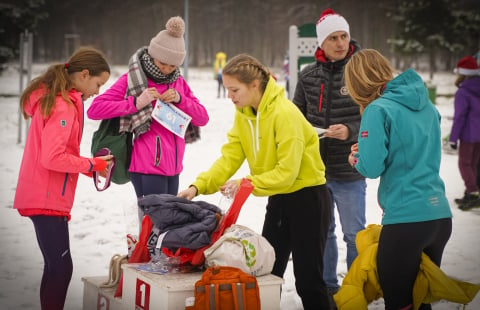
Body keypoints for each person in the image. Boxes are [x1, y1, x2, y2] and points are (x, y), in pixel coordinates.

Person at [178, 53, 333, 309]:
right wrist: (197, 187)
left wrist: (246, 183)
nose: (229, 96)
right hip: (279, 197)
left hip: (309, 199)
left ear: (254, 85)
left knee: (308, 280)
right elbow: (229, 157)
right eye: (227, 89)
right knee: (268, 272)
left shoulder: (285, 114)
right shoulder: (244, 114)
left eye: (234, 89)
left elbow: (288, 172)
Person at [345, 49, 453, 310]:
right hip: (439, 215)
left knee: (399, 302)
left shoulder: (377, 109)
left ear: (358, 83)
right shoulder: (426, 104)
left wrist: (356, 159)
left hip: (406, 220)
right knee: (419, 299)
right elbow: (415, 150)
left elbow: (370, 168)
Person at [13, 47, 112, 310]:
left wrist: (91, 166)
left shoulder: (58, 100)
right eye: (98, 84)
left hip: (46, 194)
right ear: (83, 75)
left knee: (56, 267)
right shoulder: (63, 106)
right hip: (46, 196)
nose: (98, 91)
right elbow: (52, 157)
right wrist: (92, 164)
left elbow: (57, 153)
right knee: (60, 268)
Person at [87, 16, 209, 227]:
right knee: (153, 226)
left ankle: (158, 260)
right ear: (153, 56)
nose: (166, 69)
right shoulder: (131, 79)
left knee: (166, 227)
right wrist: (135, 102)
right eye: (162, 62)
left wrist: (181, 100)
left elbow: (202, 117)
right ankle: (148, 260)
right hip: (146, 166)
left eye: (173, 65)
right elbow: (94, 109)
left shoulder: (178, 82)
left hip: (174, 167)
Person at [292, 8, 366, 300]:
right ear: (321, 43)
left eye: (343, 36)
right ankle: (329, 288)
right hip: (316, 171)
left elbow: (377, 116)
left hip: (350, 169)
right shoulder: (308, 75)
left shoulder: (360, 71)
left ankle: (358, 287)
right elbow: (295, 117)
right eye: (333, 38)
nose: (340, 43)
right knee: (324, 234)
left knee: (354, 234)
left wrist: (350, 130)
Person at [447, 55, 480, 210]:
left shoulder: (463, 92)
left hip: (469, 135)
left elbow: (459, 117)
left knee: (464, 164)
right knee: (472, 164)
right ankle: (470, 193)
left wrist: (453, 139)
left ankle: (473, 193)